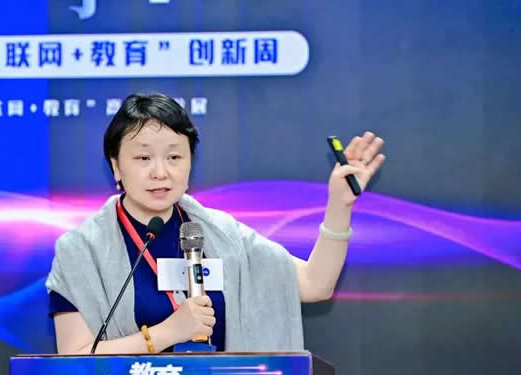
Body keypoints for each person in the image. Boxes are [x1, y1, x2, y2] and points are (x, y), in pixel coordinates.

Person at [46, 92, 385, 354]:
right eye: (143, 157)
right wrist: (166, 333)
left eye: (174, 156)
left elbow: (315, 284)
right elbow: (72, 357)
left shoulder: (221, 235)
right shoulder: (81, 249)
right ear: (116, 167)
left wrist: (339, 204)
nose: (161, 172)